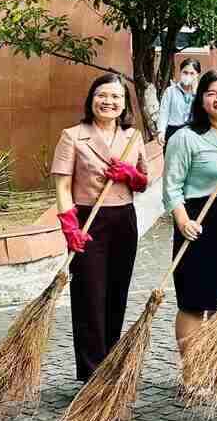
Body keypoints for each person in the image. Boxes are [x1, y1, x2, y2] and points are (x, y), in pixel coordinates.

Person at [51, 73, 149, 382]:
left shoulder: (133, 137)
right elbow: (63, 185)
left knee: (116, 293)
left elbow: (144, 182)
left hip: (123, 220)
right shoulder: (72, 135)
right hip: (87, 220)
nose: (108, 102)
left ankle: (109, 364)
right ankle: (91, 371)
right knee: (89, 296)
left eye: (116, 97)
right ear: (91, 99)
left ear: (125, 104)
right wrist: (70, 226)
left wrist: (131, 175)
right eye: (102, 96)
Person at [161, 69, 217, 376]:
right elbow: (171, 186)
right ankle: (193, 372)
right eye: (211, 93)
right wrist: (183, 220)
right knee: (194, 299)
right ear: (201, 100)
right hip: (196, 218)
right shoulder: (185, 137)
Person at [158, 57, 201, 145]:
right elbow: (164, 112)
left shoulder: (200, 93)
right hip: (173, 131)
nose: (188, 76)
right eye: (185, 72)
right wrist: (161, 131)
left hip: (192, 132)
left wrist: (195, 93)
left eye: (192, 73)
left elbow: (201, 113)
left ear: (197, 75)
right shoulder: (170, 91)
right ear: (180, 72)